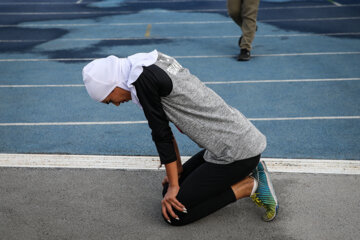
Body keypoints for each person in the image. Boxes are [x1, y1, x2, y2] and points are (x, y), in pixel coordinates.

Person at [82, 50, 278, 226]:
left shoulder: (142, 79)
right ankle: (251, 170)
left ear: (113, 86)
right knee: (168, 191)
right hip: (226, 146)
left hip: (236, 151)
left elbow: (161, 135)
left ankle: (249, 185)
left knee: (175, 214)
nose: (115, 104)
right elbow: (165, 128)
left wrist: (176, 185)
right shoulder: (145, 64)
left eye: (109, 100)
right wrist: (175, 173)